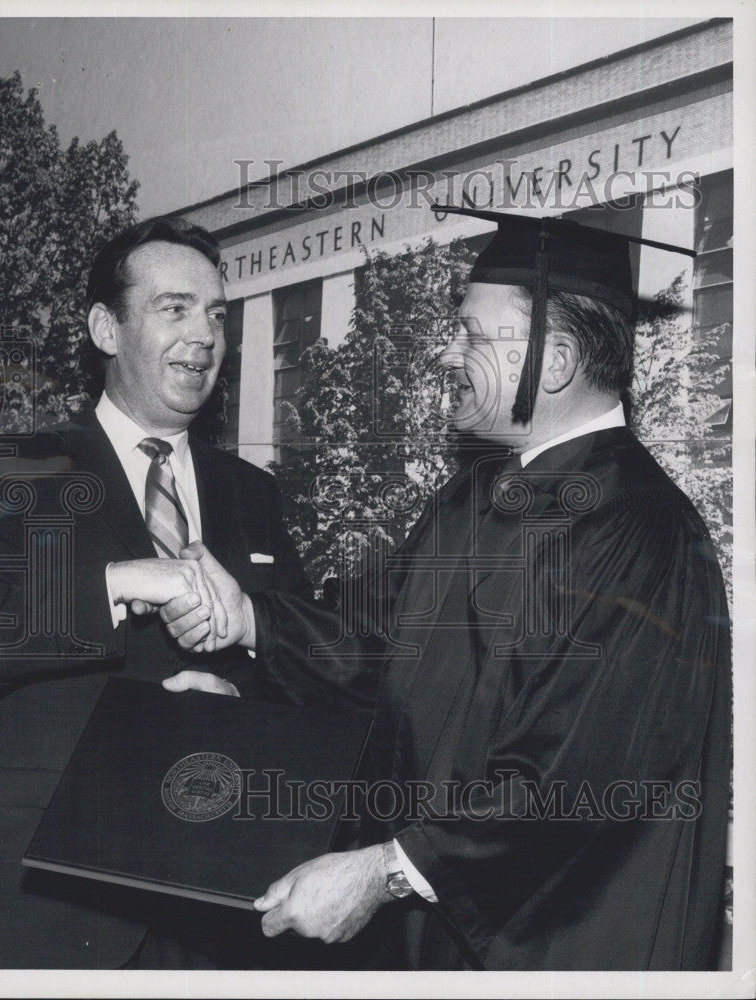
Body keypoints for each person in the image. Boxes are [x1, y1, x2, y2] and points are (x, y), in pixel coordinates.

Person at [155, 208, 732, 971]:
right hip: (439, 937)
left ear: (552, 361)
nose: (445, 354)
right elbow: (377, 650)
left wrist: (382, 868)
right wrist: (249, 624)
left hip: (559, 947)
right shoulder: (473, 498)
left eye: (469, 333)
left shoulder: (640, 532)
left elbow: (566, 778)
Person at [0, 216, 311, 968]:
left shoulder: (252, 493)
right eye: (174, 308)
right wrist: (116, 585)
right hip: (42, 912)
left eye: (216, 314)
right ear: (106, 327)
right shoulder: (12, 470)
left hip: (207, 907)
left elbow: (300, 660)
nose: (204, 335)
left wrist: (237, 700)